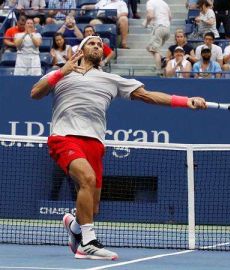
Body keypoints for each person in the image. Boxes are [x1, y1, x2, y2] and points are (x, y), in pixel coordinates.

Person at [30, 35, 207, 260]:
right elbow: (35, 93)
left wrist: (186, 100)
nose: (97, 46)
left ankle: (75, 226)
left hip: (94, 142)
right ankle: (88, 243)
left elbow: (148, 96)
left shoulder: (110, 79)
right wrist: (61, 72)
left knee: (92, 209)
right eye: (91, 43)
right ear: (81, 51)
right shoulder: (62, 74)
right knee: (87, 179)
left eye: (99, 44)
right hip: (64, 137)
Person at [143, 0, 171, 75]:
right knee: (149, 47)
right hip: (167, 30)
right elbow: (170, 17)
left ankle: (159, 71)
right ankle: (162, 59)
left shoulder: (150, 2)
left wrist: (146, 23)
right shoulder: (164, 3)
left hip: (159, 28)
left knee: (155, 50)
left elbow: (150, 15)